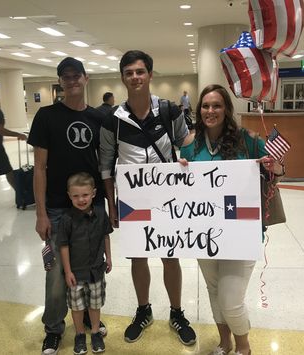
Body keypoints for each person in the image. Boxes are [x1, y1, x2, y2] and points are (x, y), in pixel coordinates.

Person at [99, 50, 196, 345]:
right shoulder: (113, 120)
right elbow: (105, 167)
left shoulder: (168, 111)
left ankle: (177, 313)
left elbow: (188, 146)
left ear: (150, 75)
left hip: (168, 199)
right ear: (122, 78)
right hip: (133, 202)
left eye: (140, 72)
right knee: (138, 258)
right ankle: (144, 310)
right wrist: (111, 204)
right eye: (129, 73)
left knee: (170, 256)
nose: (135, 77)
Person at [180, 84, 284, 355]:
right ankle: (225, 342)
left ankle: (244, 347)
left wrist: (275, 166)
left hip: (240, 232)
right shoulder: (190, 144)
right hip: (204, 233)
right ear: (199, 109)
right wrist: (179, 171)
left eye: (216, 105)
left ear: (226, 109)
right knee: (214, 290)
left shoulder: (246, 139)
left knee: (231, 299)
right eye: (205, 106)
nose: (210, 111)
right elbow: (183, 189)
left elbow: (276, 170)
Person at [28, 57, 107, 355]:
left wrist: (107, 206)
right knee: (58, 274)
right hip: (59, 211)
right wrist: (40, 213)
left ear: (86, 79)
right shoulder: (46, 116)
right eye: (66, 77)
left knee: (89, 269)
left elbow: (106, 165)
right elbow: (39, 168)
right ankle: (53, 328)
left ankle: (87, 319)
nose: (72, 81)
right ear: (60, 82)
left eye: (77, 76)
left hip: (91, 210)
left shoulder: (99, 118)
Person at [57, 172, 113, 354]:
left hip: (96, 270)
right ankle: (80, 334)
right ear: (69, 196)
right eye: (75, 196)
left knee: (95, 304)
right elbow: (63, 246)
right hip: (76, 273)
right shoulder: (66, 220)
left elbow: (106, 236)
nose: (81, 199)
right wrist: (67, 272)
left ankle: (95, 332)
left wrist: (109, 257)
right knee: (77, 307)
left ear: (94, 193)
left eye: (85, 195)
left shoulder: (100, 214)